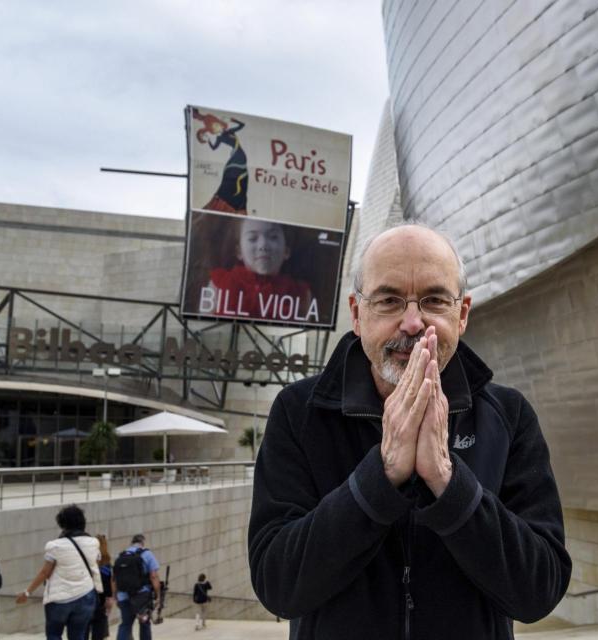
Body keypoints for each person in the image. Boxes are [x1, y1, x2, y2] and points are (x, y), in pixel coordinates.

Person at [248, 224, 571, 639]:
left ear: (463, 313)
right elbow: (278, 584)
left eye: (435, 300)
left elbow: (539, 591)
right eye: (389, 300)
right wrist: (379, 478)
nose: (414, 322)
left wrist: (447, 479)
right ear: (357, 313)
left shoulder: (508, 416)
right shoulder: (299, 413)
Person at [16, 504, 102, 640]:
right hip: (85, 596)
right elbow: (94, 566)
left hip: (59, 599)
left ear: (62, 524)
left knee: (54, 634)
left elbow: (45, 573)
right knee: (78, 636)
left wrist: (27, 592)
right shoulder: (94, 543)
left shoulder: (55, 546)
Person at [203, 217, 312, 320]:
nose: (263, 245)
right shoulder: (219, 284)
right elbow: (202, 321)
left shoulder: (300, 294)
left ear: (286, 251)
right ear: (239, 251)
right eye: (252, 238)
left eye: (273, 237)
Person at [192, 108, 249, 215]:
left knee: (238, 178)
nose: (216, 128)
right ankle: (225, 205)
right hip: (234, 158)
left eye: (216, 125)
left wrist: (231, 119)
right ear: (212, 130)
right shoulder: (220, 138)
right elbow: (214, 148)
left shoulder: (229, 131)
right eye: (213, 128)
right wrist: (208, 139)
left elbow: (242, 125)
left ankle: (233, 205)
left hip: (239, 155)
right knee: (230, 179)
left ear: (220, 124)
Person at [111, 534, 160, 640]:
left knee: (125, 625)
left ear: (132, 543)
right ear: (142, 543)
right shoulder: (147, 554)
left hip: (123, 596)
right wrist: (157, 595)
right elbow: (153, 576)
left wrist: (115, 596)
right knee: (144, 623)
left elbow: (114, 579)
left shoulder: (121, 556)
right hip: (141, 597)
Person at [85, 535, 113, 640]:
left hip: (87, 597)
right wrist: (109, 598)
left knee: (85, 628)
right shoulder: (106, 564)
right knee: (99, 630)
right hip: (100, 599)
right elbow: (108, 583)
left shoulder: (88, 560)